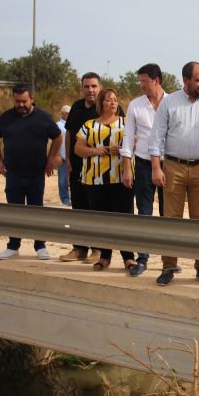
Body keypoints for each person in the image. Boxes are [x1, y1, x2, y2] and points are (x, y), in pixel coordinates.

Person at [148, 61, 199, 286]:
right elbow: (156, 137)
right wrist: (156, 167)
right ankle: (169, 266)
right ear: (186, 80)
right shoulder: (169, 102)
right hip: (174, 167)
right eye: (198, 80)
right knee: (172, 220)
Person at [0, 84, 62, 260]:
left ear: (32, 99)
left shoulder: (44, 117)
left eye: (24, 101)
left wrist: (50, 160)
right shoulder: (6, 117)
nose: (21, 105)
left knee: (37, 212)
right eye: (17, 101)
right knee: (14, 212)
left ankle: (40, 246)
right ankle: (13, 246)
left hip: (36, 174)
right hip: (13, 174)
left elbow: (58, 137)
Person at [60, 72, 124, 263]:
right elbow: (69, 134)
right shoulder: (76, 107)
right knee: (79, 208)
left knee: (97, 211)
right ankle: (79, 248)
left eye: (94, 86)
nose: (90, 90)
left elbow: (123, 135)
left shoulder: (111, 107)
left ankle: (98, 249)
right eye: (87, 86)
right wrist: (68, 159)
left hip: (104, 172)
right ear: (82, 88)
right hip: (79, 167)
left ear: (100, 87)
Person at [74, 88, 136, 271]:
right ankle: (104, 257)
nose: (113, 102)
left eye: (115, 99)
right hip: (95, 179)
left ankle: (128, 257)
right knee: (102, 220)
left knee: (124, 219)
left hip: (122, 177)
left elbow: (137, 143)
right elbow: (78, 149)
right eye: (108, 100)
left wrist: (122, 148)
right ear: (100, 103)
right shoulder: (89, 125)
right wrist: (96, 150)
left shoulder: (127, 123)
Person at [119, 64, 170, 276]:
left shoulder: (172, 103)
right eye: (140, 81)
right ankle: (143, 259)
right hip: (142, 165)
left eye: (144, 81)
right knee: (144, 213)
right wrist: (127, 168)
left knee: (168, 214)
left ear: (156, 80)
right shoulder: (135, 105)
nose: (141, 85)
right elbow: (128, 137)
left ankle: (169, 262)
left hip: (168, 165)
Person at [56, 105, 71, 206]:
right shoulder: (58, 125)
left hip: (71, 156)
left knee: (72, 180)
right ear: (64, 114)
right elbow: (55, 142)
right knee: (62, 181)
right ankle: (65, 200)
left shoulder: (72, 125)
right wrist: (56, 155)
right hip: (62, 157)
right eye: (69, 114)